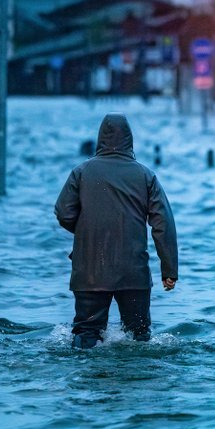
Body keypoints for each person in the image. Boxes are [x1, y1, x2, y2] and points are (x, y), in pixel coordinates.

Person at [54, 113, 179, 349]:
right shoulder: (146, 175)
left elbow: (63, 213)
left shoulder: (81, 172)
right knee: (138, 337)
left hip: (89, 272)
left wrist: (88, 232)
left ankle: (88, 382)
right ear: (130, 141)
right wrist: (169, 270)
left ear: (100, 139)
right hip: (134, 272)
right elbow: (164, 224)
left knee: (86, 335)